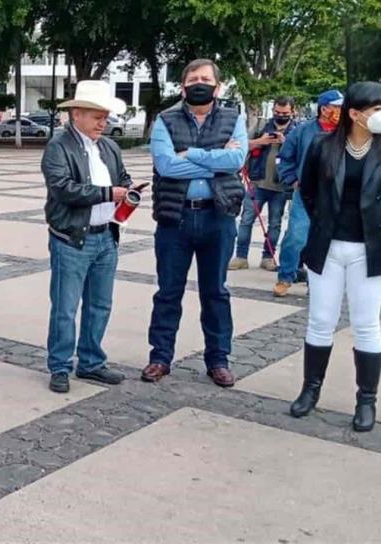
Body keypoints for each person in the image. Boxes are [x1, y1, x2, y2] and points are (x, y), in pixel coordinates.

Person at [142, 59, 248, 387]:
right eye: (192, 79)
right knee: (168, 292)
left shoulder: (234, 118)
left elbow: (236, 160)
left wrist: (190, 154)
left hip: (218, 216)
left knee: (215, 292)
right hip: (176, 217)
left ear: (218, 87)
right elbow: (166, 165)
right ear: (182, 85)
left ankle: (218, 359)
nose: (198, 83)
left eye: (205, 79)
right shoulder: (165, 119)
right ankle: (160, 356)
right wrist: (215, 159)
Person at [291, 81, 381, 433]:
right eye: (374, 109)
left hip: (370, 250)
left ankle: (366, 400)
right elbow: (309, 192)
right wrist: (325, 225)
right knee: (320, 320)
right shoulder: (323, 147)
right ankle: (310, 390)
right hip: (327, 246)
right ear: (355, 114)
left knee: (367, 325)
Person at [41, 81, 135, 394]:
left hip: (106, 235)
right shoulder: (59, 146)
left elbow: (123, 179)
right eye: (97, 116)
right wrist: (109, 192)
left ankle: (92, 361)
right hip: (71, 237)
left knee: (100, 304)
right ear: (76, 113)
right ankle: (60, 365)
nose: (103, 122)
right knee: (65, 307)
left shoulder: (108, 147)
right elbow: (63, 188)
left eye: (105, 116)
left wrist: (130, 191)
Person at [273, 89, 344, 297]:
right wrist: (292, 180)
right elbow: (284, 158)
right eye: (337, 107)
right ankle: (286, 276)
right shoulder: (303, 131)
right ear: (324, 108)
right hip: (306, 193)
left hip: (336, 195)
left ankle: (318, 282)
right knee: (297, 236)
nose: (340, 111)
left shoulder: (347, 132)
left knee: (329, 241)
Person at [229, 96, 297, 272]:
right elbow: (241, 146)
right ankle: (241, 256)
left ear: (292, 112)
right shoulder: (260, 127)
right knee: (246, 220)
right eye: (277, 112)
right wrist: (261, 141)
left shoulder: (297, 131)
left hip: (281, 187)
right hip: (256, 183)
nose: (280, 115)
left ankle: (268, 257)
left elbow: (302, 153)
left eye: (285, 113)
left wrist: (286, 142)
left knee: (275, 224)